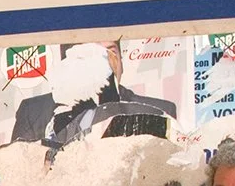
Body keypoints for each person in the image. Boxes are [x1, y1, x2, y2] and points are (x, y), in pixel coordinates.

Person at [12, 41, 178, 148]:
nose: (105, 62)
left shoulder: (158, 110)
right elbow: (20, 180)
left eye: (111, 52)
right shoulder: (33, 111)